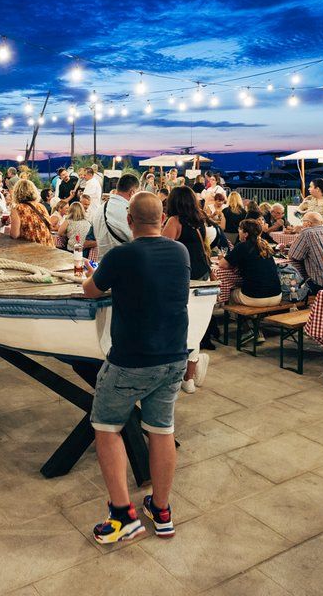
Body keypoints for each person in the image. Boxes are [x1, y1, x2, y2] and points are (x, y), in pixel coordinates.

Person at [80, 192, 188, 544]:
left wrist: (91, 275)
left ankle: (123, 515)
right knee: (161, 430)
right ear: (162, 218)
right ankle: (161, 510)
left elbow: (91, 291)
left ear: (129, 220)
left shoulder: (121, 255)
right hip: (173, 357)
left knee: (106, 427)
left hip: (131, 360)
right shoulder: (180, 252)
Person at [162, 185, 217, 371]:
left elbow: (163, 251)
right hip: (201, 273)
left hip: (184, 277)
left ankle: (182, 368)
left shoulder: (174, 221)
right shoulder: (198, 221)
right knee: (195, 324)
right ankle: (191, 372)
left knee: (181, 324)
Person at [218, 218, 282, 306]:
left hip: (255, 298)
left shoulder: (242, 246)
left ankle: (234, 315)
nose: (238, 231)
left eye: (240, 229)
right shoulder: (265, 245)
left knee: (230, 292)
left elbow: (222, 264)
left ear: (246, 234)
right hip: (277, 296)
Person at [286, 211, 323, 294]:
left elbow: (293, 256)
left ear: (308, 223)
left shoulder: (307, 232)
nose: (302, 224)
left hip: (322, 283)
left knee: (289, 270)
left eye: (302, 221)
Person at [90, 174, 137, 257]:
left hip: (102, 261)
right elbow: (137, 240)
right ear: (132, 192)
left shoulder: (100, 208)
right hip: (123, 261)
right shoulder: (128, 211)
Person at [8, 179, 54, 246]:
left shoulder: (17, 209)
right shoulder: (41, 206)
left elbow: (15, 235)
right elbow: (49, 225)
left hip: (31, 247)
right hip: (47, 244)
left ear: (16, 193)